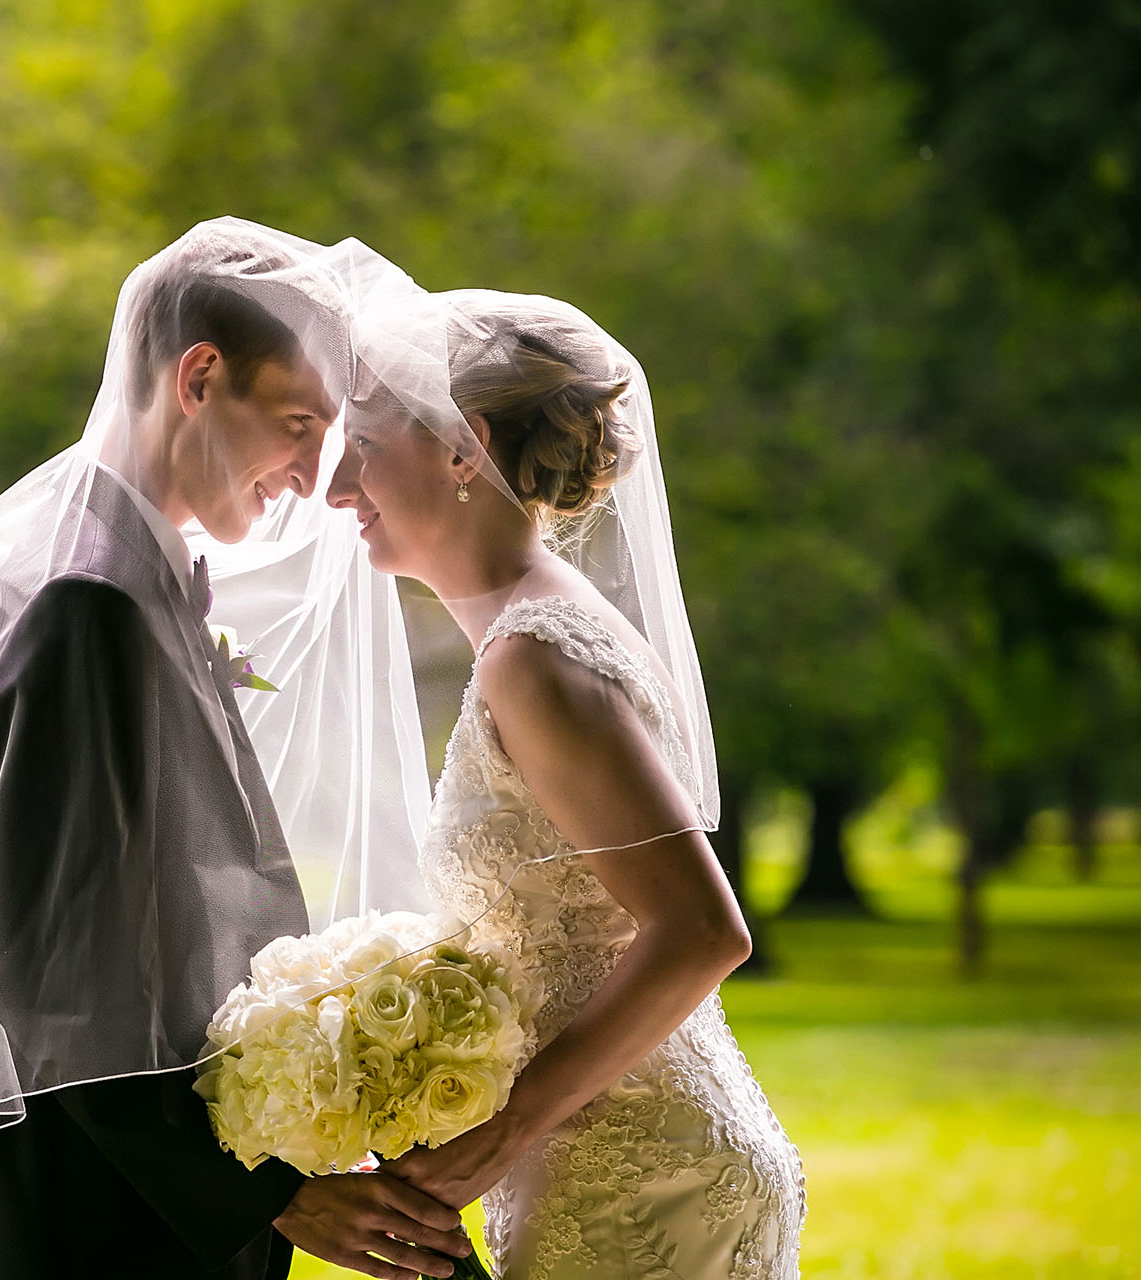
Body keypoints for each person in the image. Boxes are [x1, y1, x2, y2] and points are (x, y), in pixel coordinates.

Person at [0, 219, 471, 1280]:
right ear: (200, 376)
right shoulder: (86, 602)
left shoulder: (121, 574)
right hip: (84, 1223)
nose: (316, 472)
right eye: (299, 421)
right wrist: (277, 1196)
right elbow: (56, 986)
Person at [321, 288, 806, 1277]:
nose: (337, 484)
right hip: (618, 1152)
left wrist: (495, 1138)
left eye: (364, 444)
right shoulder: (542, 628)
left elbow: (704, 929)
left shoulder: (534, 656)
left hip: (638, 1180)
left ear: (466, 448)